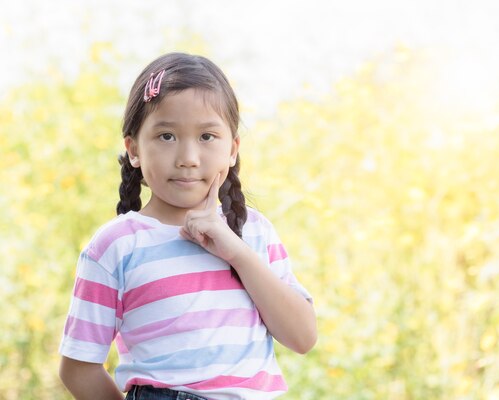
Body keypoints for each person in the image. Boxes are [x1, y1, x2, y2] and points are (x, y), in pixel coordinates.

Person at [58, 52, 317, 400]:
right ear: (134, 150)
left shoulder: (253, 232)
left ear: (233, 149)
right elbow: (78, 366)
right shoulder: (116, 245)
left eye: (207, 137)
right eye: (166, 136)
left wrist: (237, 253)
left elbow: (302, 337)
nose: (188, 158)